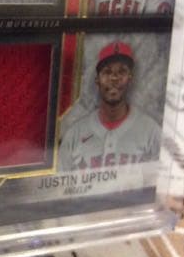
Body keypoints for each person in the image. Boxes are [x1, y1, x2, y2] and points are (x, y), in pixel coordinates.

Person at [59, 41, 160, 171]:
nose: (114, 78)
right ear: (97, 79)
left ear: (130, 78)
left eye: (122, 71)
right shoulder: (74, 134)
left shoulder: (152, 132)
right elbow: (58, 182)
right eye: (107, 72)